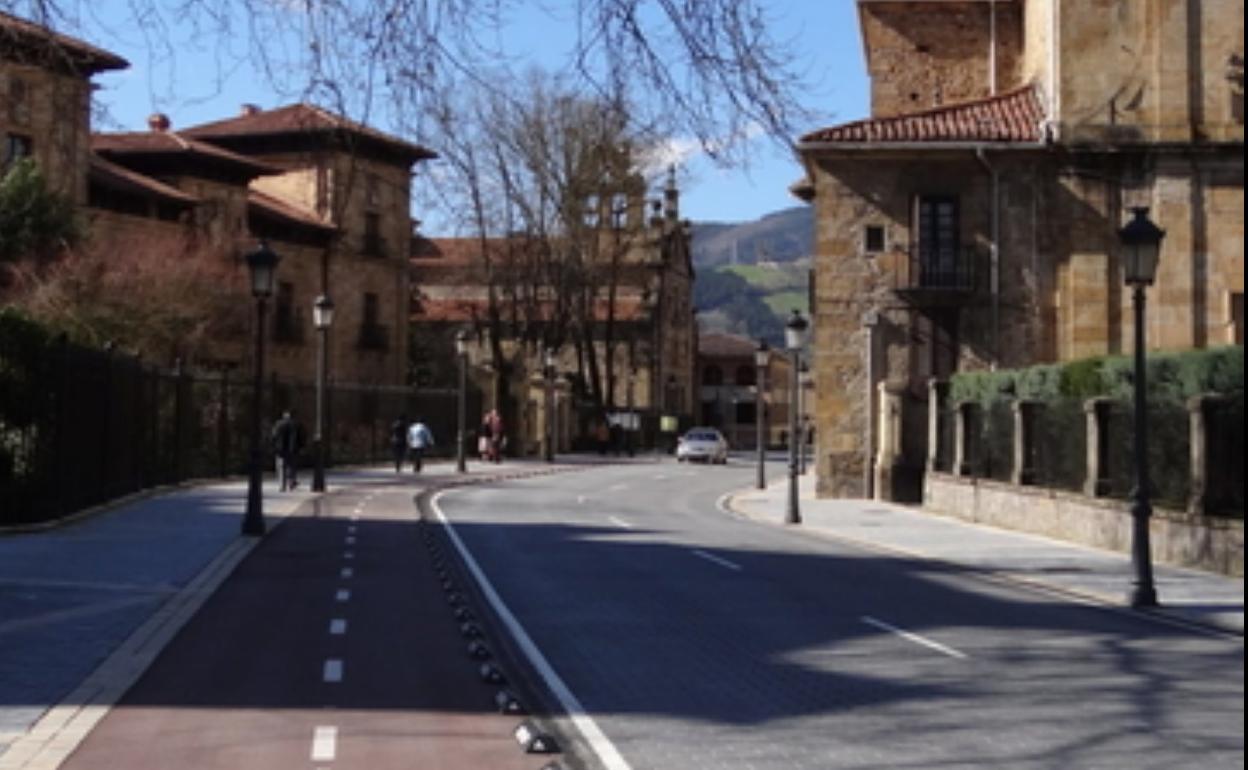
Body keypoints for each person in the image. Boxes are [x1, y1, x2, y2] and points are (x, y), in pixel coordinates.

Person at [271, 411, 305, 491]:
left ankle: (282, 485)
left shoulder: (278, 424)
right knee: (292, 467)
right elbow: (301, 437)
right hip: (293, 450)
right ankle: (291, 483)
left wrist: (274, 446)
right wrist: (301, 447)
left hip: (280, 449)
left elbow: (274, 436)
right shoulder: (296, 424)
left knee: (281, 467)